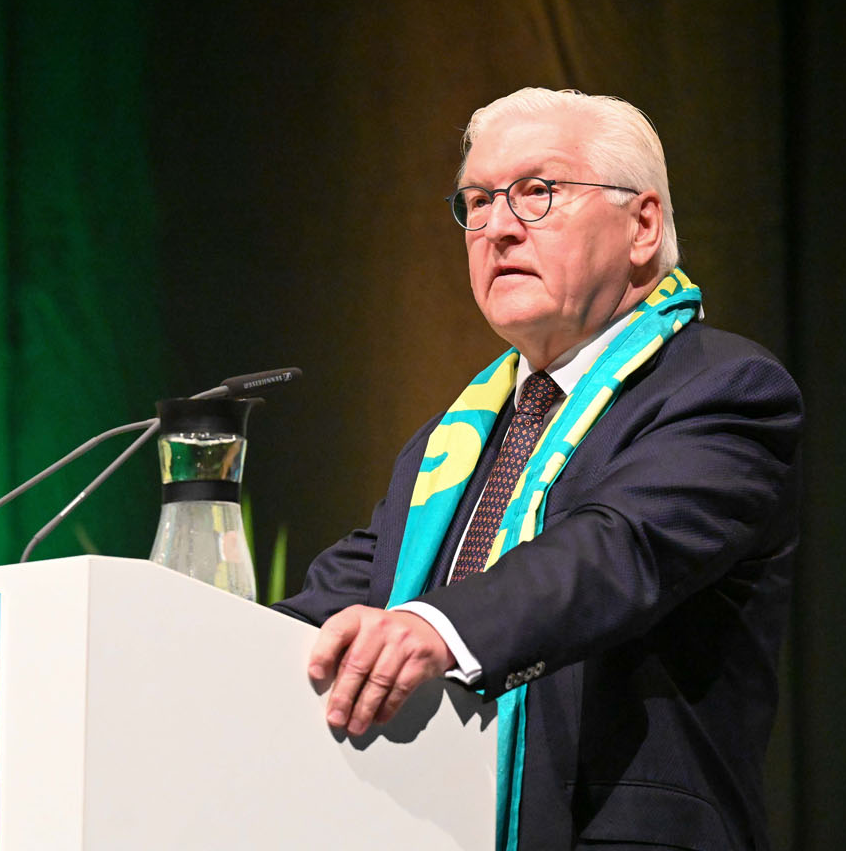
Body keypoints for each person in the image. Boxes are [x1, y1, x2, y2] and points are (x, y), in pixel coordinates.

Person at [274, 88, 802, 851]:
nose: (498, 228)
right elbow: (342, 598)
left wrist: (437, 627)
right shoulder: (451, 444)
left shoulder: (722, 390)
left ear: (643, 226)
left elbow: (616, 550)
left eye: (536, 192)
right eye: (478, 202)